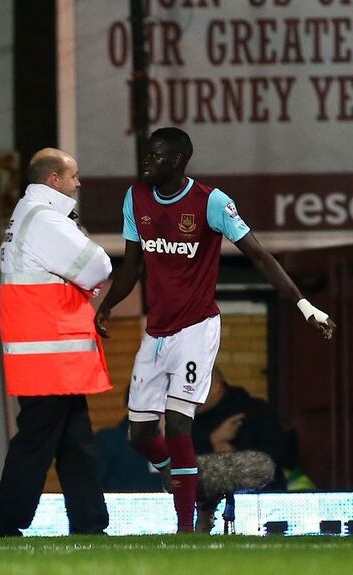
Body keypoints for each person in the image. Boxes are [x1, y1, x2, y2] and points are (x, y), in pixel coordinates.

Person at [94, 127, 336, 533]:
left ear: (177, 161)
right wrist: (108, 305)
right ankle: (191, 481)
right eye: (146, 155)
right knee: (138, 435)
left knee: (177, 424)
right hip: (157, 333)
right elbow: (132, 265)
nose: (146, 162)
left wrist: (304, 304)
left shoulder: (211, 202)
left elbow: (259, 256)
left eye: (155, 156)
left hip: (197, 328)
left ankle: (187, 530)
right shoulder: (135, 199)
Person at [0, 148, 112, 538]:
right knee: (37, 442)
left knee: (76, 441)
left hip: (49, 352)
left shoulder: (31, 216)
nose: (78, 183)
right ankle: (6, 526)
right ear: (54, 180)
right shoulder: (43, 220)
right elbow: (100, 265)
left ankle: (90, 525)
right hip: (50, 352)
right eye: (73, 176)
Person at [193, 366, 291, 490]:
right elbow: (180, 461)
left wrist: (234, 456)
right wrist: (212, 441)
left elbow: (279, 453)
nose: (191, 398)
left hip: (260, 497)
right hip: (207, 502)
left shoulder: (257, 411)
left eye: (197, 390)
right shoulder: (191, 419)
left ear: (216, 388)